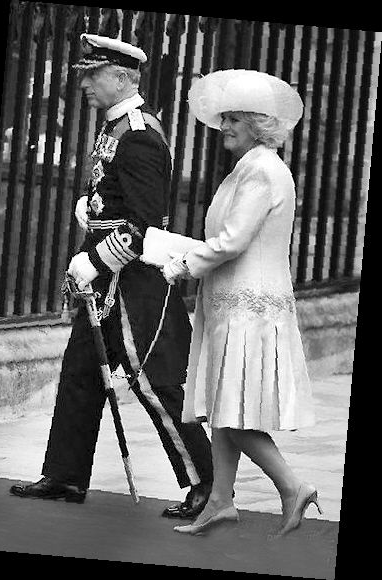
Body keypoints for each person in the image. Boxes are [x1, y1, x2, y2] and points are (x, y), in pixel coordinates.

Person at [10, 34, 213, 519]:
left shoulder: (139, 133)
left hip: (132, 281)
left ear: (122, 78)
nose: (83, 84)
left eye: (92, 74)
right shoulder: (116, 124)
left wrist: (96, 260)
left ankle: (206, 482)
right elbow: (112, 192)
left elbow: (143, 225)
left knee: (154, 383)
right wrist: (91, 208)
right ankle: (65, 475)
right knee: (80, 373)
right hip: (104, 277)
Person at [161, 69, 320, 535]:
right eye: (224, 118)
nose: (223, 127)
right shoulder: (249, 166)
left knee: (234, 408)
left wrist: (184, 263)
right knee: (223, 404)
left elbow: (232, 240)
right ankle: (220, 501)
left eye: (233, 119)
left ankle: (293, 486)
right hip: (231, 303)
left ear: (256, 123)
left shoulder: (262, 170)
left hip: (248, 310)